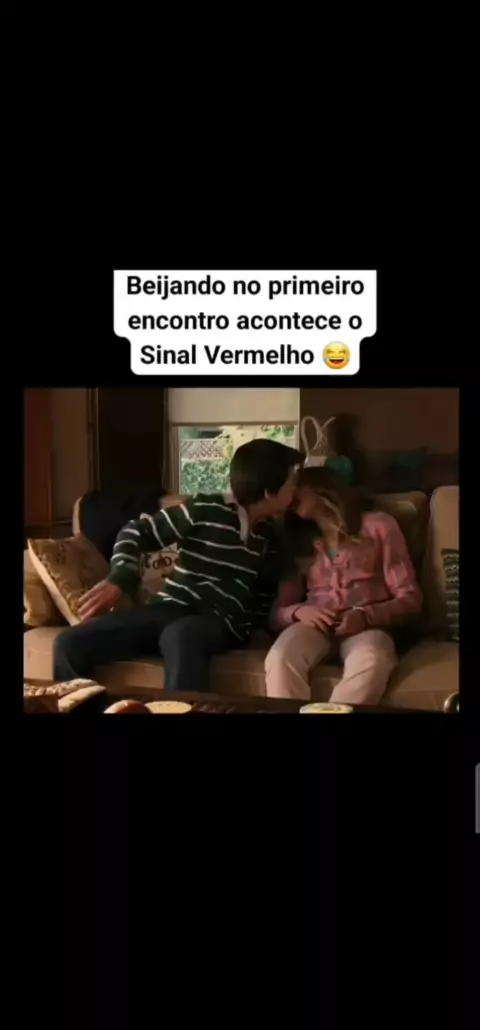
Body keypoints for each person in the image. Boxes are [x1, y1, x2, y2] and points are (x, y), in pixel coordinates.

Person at [53, 439, 303, 693]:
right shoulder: (206, 508)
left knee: (182, 634)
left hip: (220, 622)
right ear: (269, 490)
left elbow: (264, 596)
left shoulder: (269, 538)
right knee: (69, 643)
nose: (295, 489)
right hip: (168, 609)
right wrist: (120, 578)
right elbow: (135, 532)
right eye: (291, 482)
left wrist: (259, 629)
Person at [265, 467, 422, 705]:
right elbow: (277, 612)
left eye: (296, 485)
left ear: (321, 487)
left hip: (367, 628)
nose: (290, 492)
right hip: (313, 625)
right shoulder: (296, 539)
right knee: (280, 657)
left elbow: (410, 598)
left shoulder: (379, 526)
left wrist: (366, 616)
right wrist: (298, 612)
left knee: (372, 661)